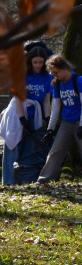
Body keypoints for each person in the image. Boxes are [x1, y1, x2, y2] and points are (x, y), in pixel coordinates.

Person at [0, 47, 53, 184]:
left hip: (35, 114)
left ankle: (25, 179)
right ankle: (8, 181)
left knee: (31, 147)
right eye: (35, 62)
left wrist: (48, 118)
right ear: (30, 62)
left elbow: (46, 101)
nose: (38, 65)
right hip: (18, 112)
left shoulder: (48, 77)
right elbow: (17, 98)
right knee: (13, 145)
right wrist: (22, 118)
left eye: (41, 62)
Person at [37, 54, 82, 185]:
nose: (55, 76)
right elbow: (55, 108)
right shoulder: (57, 84)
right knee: (55, 151)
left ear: (64, 67)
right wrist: (50, 129)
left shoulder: (78, 81)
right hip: (66, 123)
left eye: (56, 72)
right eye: (52, 73)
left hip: (79, 122)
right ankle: (43, 180)